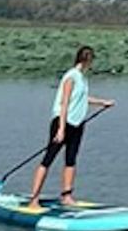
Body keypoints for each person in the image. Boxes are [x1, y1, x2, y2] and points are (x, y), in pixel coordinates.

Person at [26, 45, 115, 209]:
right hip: (62, 122)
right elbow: (65, 102)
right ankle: (34, 199)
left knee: (71, 159)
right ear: (86, 60)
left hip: (77, 123)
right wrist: (61, 129)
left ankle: (66, 196)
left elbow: (82, 98)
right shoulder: (71, 76)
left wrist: (103, 102)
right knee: (48, 159)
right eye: (91, 60)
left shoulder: (82, 78)